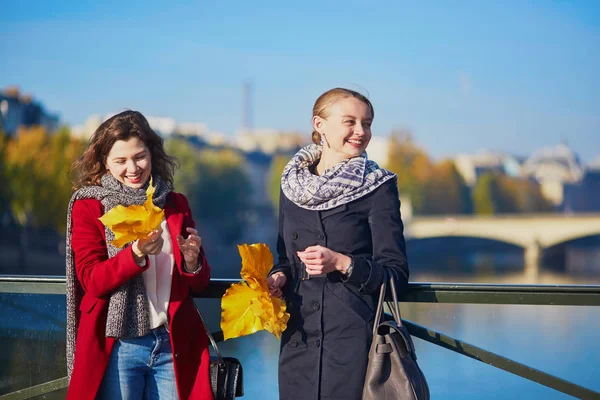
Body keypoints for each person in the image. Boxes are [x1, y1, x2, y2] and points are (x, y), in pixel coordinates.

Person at [268, 88, 410, 400]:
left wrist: (343, 264)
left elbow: (396, 275)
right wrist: (278, 276)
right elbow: (285, 258)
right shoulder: (291, 185)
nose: (361, 132)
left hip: (354, 344)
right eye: (350, 122)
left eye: (367, 123)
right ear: (319, 124)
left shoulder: (379, 186)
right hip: (298, 340)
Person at [65, 110, 213, 400]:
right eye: (120, 161)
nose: (132, 168)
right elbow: (91, 280)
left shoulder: (174, 203)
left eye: (139, 156)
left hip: (173, 343)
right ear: (105, 163)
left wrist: (193, 261)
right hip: (118, 346)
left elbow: (199, 284)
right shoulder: (89, 206)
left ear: (152, 154)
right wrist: (134, 254)